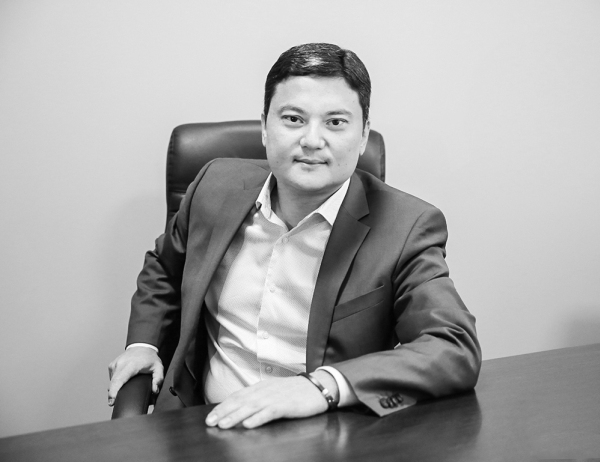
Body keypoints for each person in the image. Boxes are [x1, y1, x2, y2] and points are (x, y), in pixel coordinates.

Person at [108, 42, 481, 430]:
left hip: (323, 435)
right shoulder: (214, 186)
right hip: (202, 425)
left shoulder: (406, 226)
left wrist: (322, 386)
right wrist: (143, 344)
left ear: (363, 134)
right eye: (293, 119)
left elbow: (452, 346)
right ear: (265, 126)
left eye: (335, 122)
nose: (312, 140)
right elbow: (166, 268)